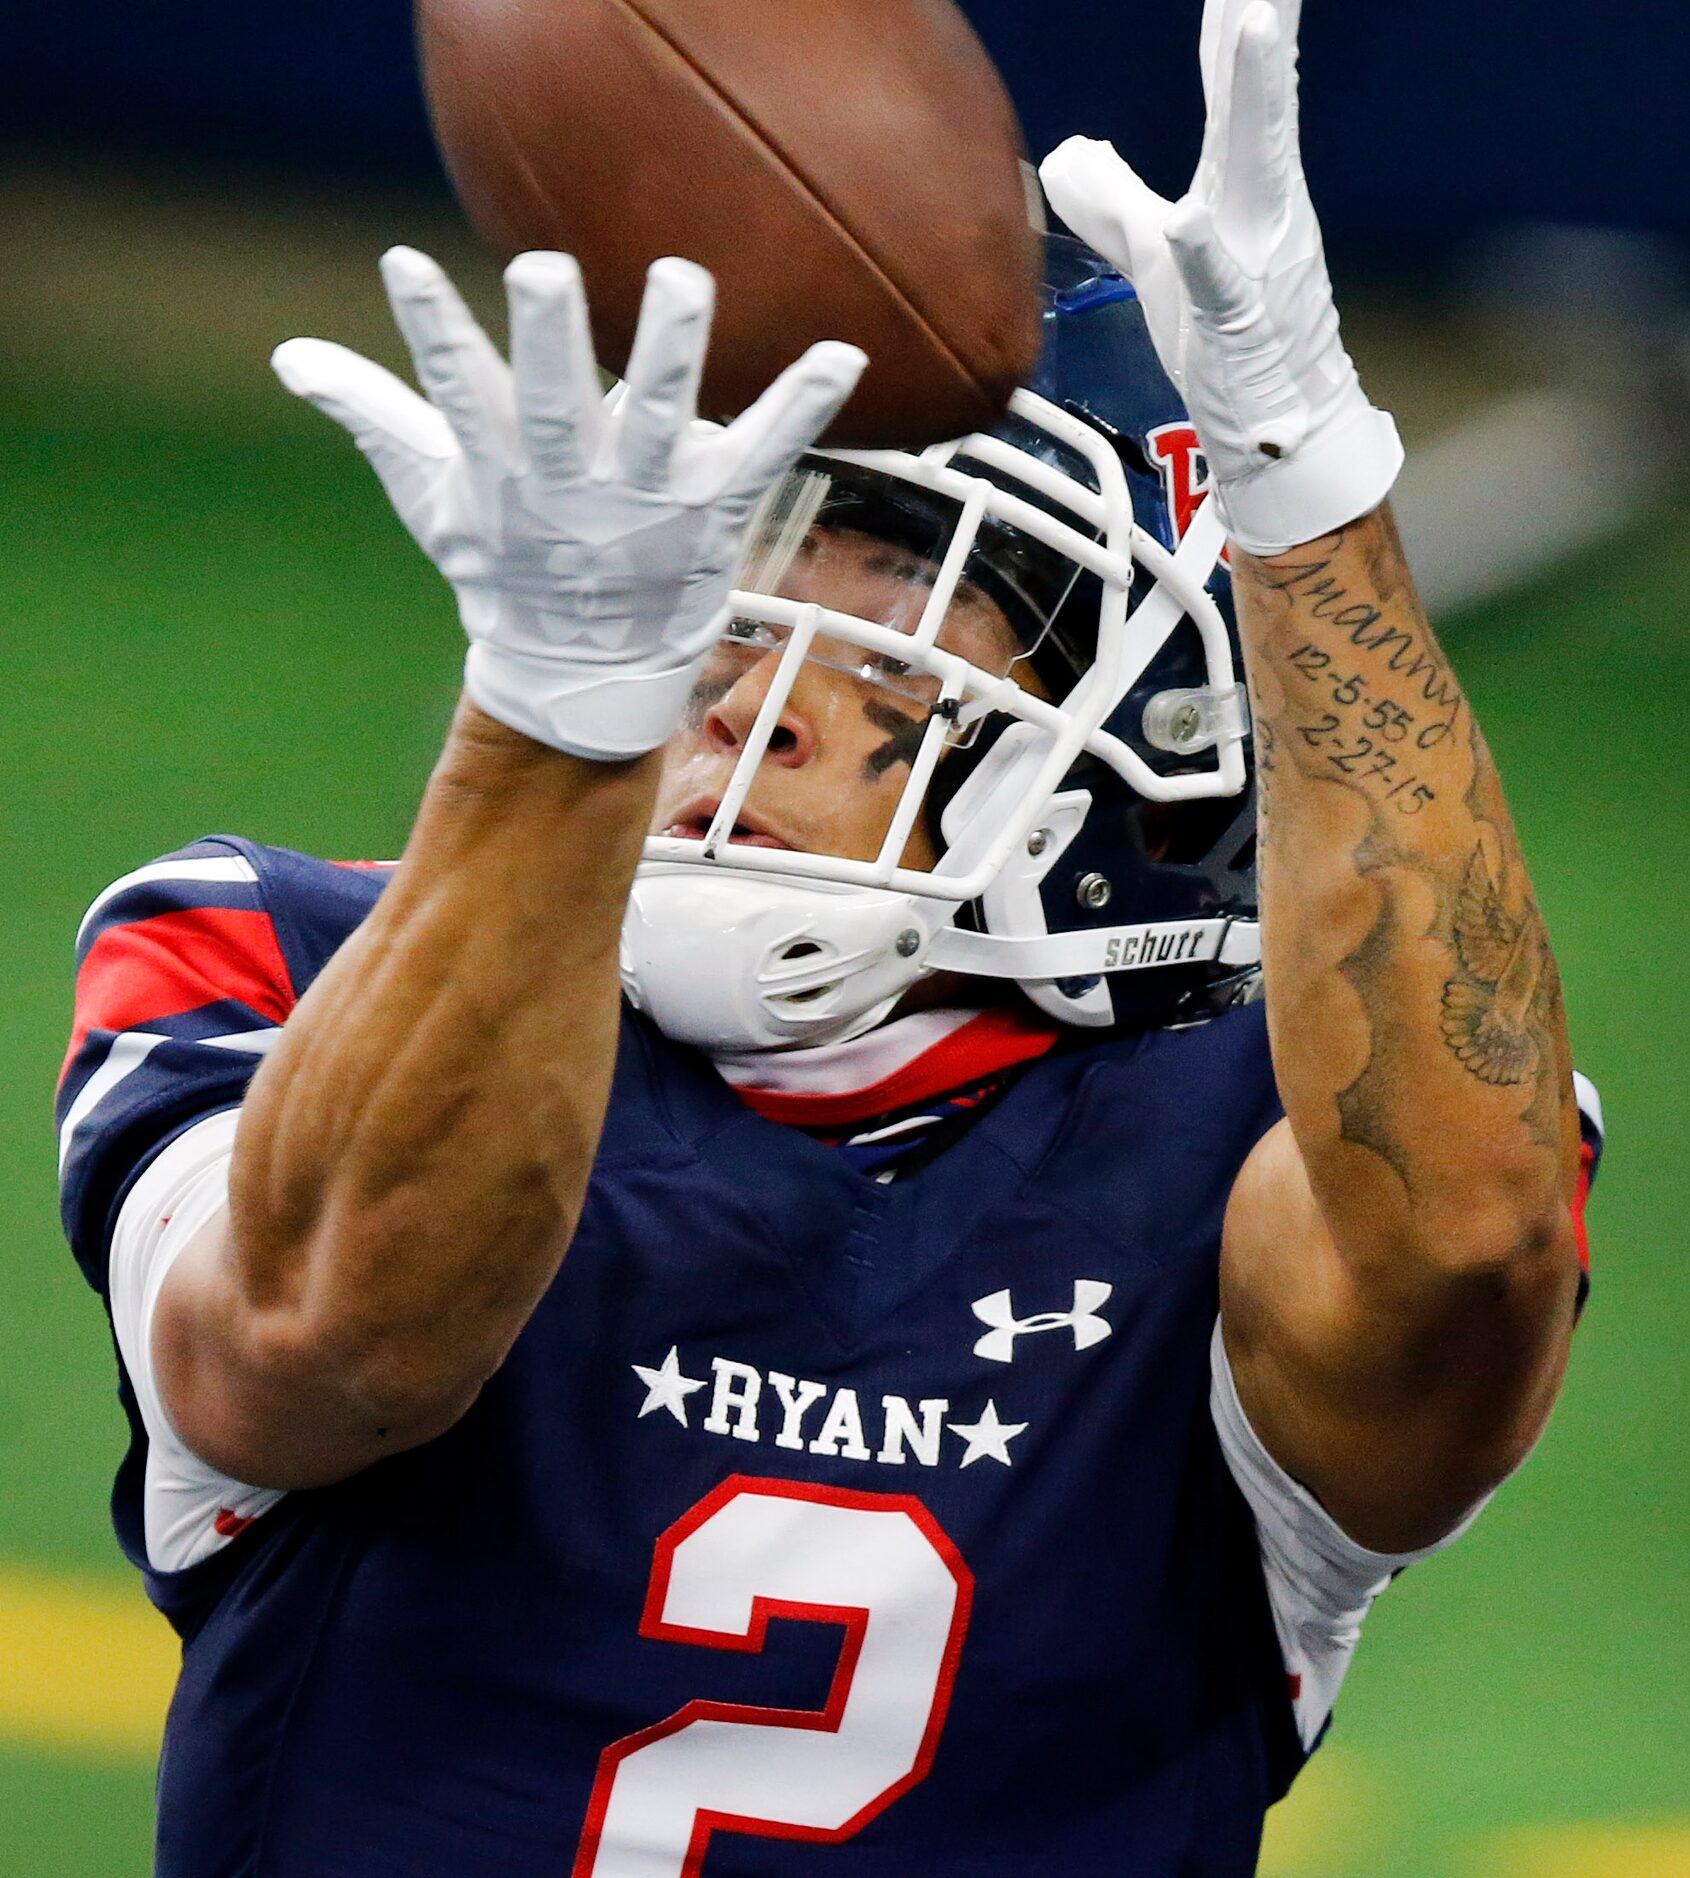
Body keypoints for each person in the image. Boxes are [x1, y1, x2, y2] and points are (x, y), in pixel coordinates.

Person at [57, 1, 1602, 1871]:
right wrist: (552, 707)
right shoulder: (266, 957)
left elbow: (1465, 1239)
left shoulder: (1248, 1147)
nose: (741, 692)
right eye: (710, 594)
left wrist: (1306, 491)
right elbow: (323, 1343)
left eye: (882, 615)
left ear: (1145, 752)